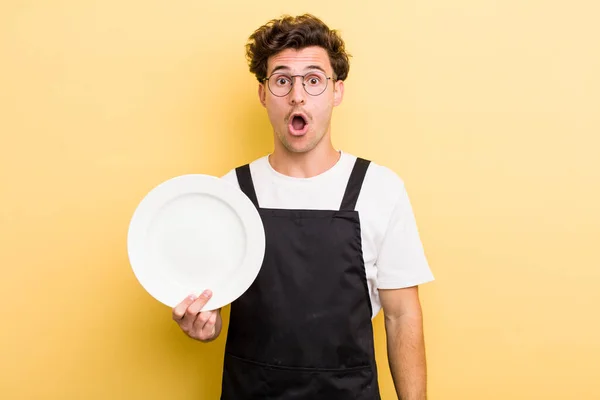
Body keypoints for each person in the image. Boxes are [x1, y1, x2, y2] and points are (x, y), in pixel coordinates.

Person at [171, 14, 434, 400]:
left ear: (336, 91)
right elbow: (213, 318)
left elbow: (402, 315)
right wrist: (204, 327)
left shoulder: (380, 189)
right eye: (282, 80)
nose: (297, 95)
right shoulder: (230, 192)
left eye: (313, 80)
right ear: (263, 94)